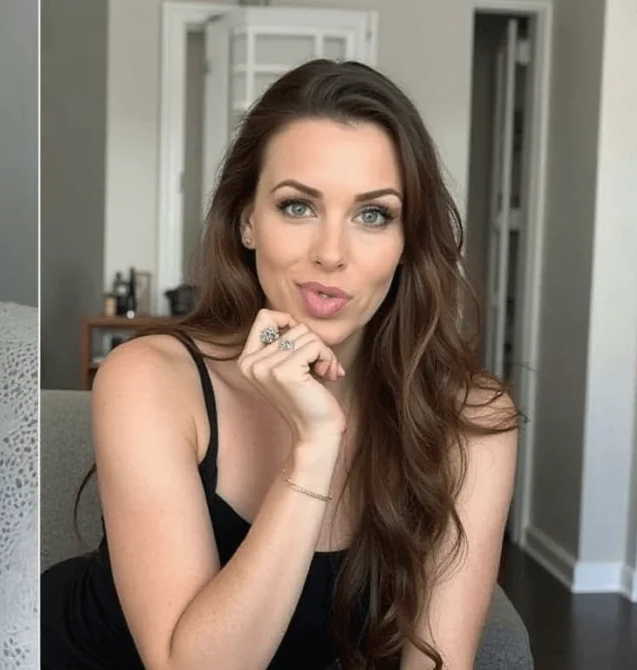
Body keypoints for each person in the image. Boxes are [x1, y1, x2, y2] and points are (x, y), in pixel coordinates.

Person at [42, 59, 520, 670]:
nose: (331, 253)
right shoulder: (149, 380)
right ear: (247, 222)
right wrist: (313, 448)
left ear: (406, 243)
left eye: (373, 215)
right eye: (298, 207)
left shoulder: (471, 421)